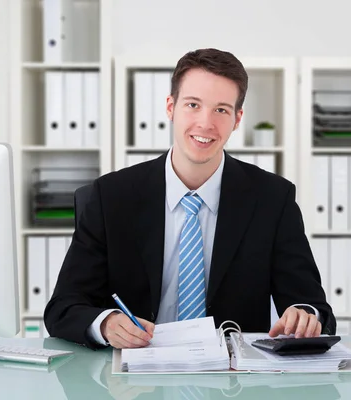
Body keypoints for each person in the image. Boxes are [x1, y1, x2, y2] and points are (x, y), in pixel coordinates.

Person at [44, 48, 335, 350]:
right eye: (193, 105)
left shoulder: (273, 199)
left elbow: (315, 307)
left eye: (221, 110)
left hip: (233, 384)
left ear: (237, 119)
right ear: (170, 108)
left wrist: (305, 316)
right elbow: (63, 308)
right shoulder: (111, 196)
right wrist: (105, 324)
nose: (205, 123)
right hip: (134, 384)